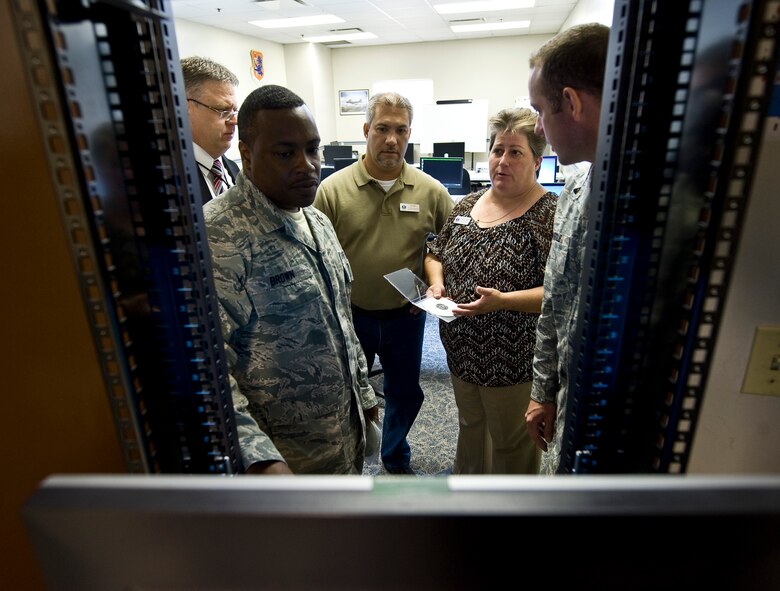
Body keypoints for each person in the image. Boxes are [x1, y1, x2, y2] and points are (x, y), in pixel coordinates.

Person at [203, 84, 379, 475]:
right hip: (285, 466)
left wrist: (363, 393)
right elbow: (208, 370)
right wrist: (259, 459)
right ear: (246, 155)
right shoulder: (217, 236)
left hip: (342, 442)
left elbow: (340, 320)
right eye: (285, 153)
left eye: (312, 149)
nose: (308, 165)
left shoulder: (316, 220)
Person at [314, 91, 453, 475]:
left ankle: (394, 456)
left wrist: (434, 287)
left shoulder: (431, 190)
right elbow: (316, 255)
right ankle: (352, 460)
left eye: (400, 130)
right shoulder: (332, 190)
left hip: (405, 318)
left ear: (409, 134)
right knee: (348, 396)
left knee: (406, 394)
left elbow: (451, 248)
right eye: (382, 129)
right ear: (366, 130)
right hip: (351, 316)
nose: (392, 139)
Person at [424, 108, 557, 474]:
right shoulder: (468, 203)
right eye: (498, 150)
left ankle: (506, 519)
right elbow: (435, 254)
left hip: (511, 359)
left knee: (511, 443)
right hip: (462, 352)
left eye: (516, 152)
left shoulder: (548, 214)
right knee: (471, 430)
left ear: (537, 162)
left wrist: (504, 302)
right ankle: (469, 505)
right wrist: (436, 282)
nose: (503, 161)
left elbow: (560, 293)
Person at [523, 23, 611, 475]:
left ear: (571, 102)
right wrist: (542, 390)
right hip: (566, 402)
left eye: (540, 110)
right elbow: (555, 300)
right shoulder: (576, 186)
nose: (538, 126)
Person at [181, 56, 240, 204]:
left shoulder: (234, 170)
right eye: (222, 110)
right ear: (183, 106)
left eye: (234, 111)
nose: (234, 121)